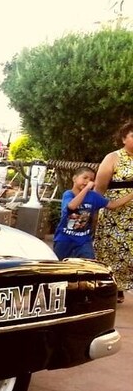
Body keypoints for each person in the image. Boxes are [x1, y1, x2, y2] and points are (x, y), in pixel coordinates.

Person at [54, 166, 133, 261]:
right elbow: (72, 206)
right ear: (74, 178)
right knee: (60, 266)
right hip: (64, 239)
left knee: (89, 266)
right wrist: (87, 188)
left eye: (91, 179)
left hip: (84, 241)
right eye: (85, 178)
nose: (88, 181)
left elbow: (112, 205)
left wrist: (131, 195)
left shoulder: (93, 196)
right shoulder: (68, 194)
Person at [93, 120, 133, 302]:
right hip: (116, 214)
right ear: (124, 138)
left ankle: (125, 283)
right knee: (114, 250)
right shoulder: (113, 157)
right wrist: (93, 209)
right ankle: (113, 285)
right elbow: (99, 188)